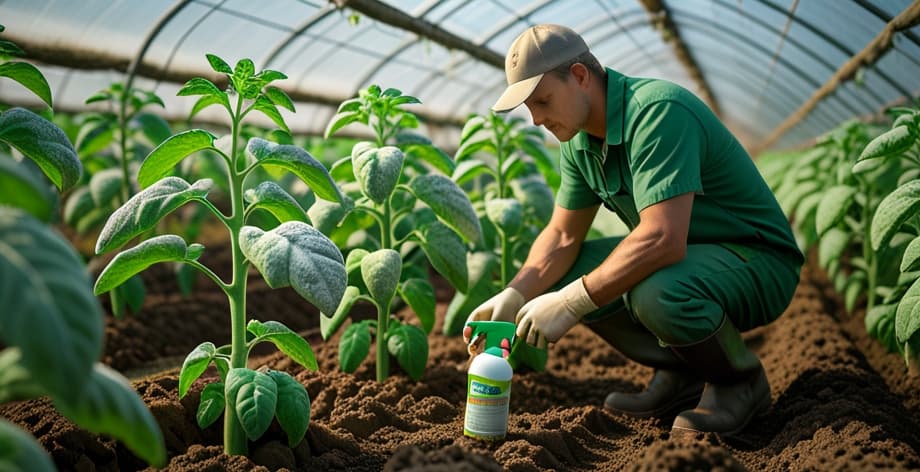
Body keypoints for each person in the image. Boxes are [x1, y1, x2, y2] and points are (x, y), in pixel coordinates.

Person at [463, 24, 803, 437]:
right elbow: (563, 236)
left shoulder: (659, 112)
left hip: (757, 261)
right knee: (567, 274)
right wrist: (516, 295)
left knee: (654, 290)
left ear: (580, 76)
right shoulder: (578, 141)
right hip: (691, 261)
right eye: (529, 108)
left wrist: (572, 303)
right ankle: (681, 374)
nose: (536, 119)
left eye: (543, 100)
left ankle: (738, 382)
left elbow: (662, 238)